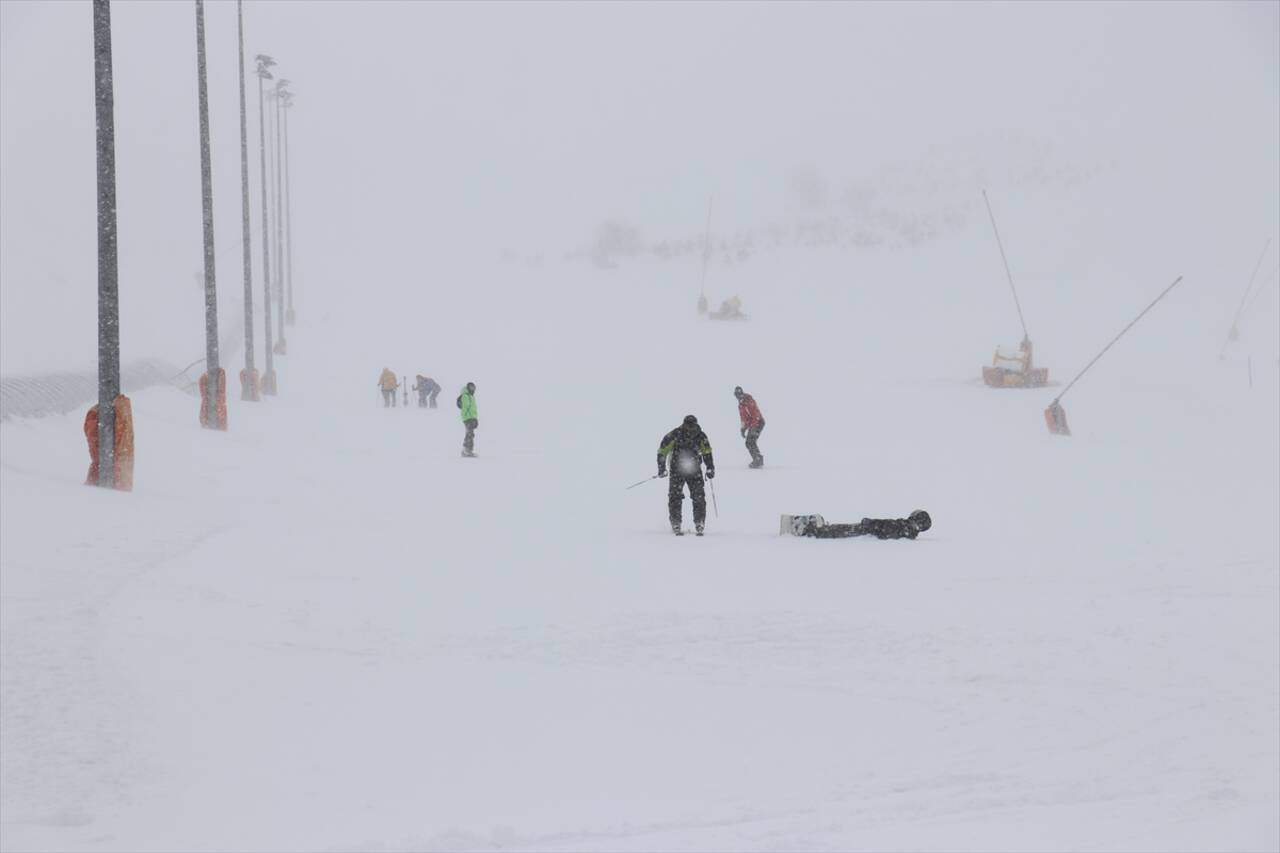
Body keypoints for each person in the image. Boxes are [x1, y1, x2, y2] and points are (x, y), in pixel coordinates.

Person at [657, 414, 715, 536]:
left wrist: (710, 467)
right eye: (687, 425)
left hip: (694, 470)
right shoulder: (675, 434)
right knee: (675, 496)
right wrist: (661, 468)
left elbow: (707, 452)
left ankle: (699, 522)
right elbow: (662, 450)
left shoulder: (701, 436)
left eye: (692, 426)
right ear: (683, 424)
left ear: (696, 425)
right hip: (677, 469)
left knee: (698, 495)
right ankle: (676, 522)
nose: (689, 428)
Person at [783, 510, 932, 540]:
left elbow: (886, 527)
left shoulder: (905, 528)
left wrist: (870, 524)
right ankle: (814, 529)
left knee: (836, 531)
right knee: (837, 529)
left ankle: (808, 530)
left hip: (865, 531)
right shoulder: (907, 529)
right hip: (866, 529)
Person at [734, 385, 765, 468]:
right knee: (749, 443)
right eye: (736, 395)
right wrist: (743, 429)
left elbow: (756, 414)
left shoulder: (749, 401)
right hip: (753, 424)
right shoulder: (741, 405)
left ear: (742, 393)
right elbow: (744, 419)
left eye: (740, 394)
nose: (738, 396)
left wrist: (754, 427)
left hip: (759, 422)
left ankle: (758, 460)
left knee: (750, 442)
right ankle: (758, 459)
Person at [457, 382, 478, 457]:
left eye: (474, 387)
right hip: (468, 418)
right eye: (471, 387)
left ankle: (465, 450)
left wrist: (475, 419)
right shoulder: (465, 396)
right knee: (470, 434)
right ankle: (467, 451)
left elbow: (473, 409)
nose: (473, 389)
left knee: (469, 433)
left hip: (471, 418)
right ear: (468, 387)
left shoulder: (471, 396)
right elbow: (466, 408)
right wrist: (469, 418)